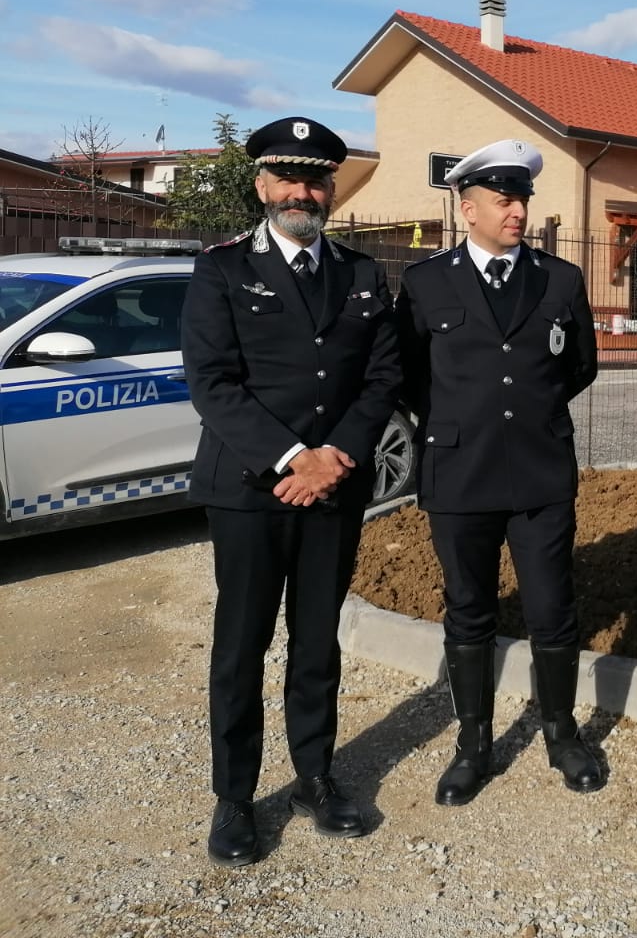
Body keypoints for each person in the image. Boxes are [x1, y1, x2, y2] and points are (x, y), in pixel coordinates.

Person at [182, 116, 403, 868]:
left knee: (315, 642)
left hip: (334, 488)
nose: (300, 192)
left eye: (314, 180)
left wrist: (334, 456)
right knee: (241, 646)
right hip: (250, 490)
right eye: (287, 178)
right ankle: (235, 797)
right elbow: (212, 382)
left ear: (331, 190)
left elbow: (382, 377)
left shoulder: (363, 273)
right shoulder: (221, 270)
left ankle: (314, 777)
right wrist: (292, 459)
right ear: (261, 186)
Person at [396, 139, 602, 804]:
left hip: (540, 471)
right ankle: (474, 744)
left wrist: (529, 414)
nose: (517, 212)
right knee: (469, 609)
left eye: (522, 200)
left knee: (552, 609)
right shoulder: (426, 282)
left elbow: (580, 364)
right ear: (468, 208)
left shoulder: (560, 279)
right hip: (460, 472)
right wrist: (464, 420)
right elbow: (408, 372)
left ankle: (562, 735)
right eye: (504, 200)